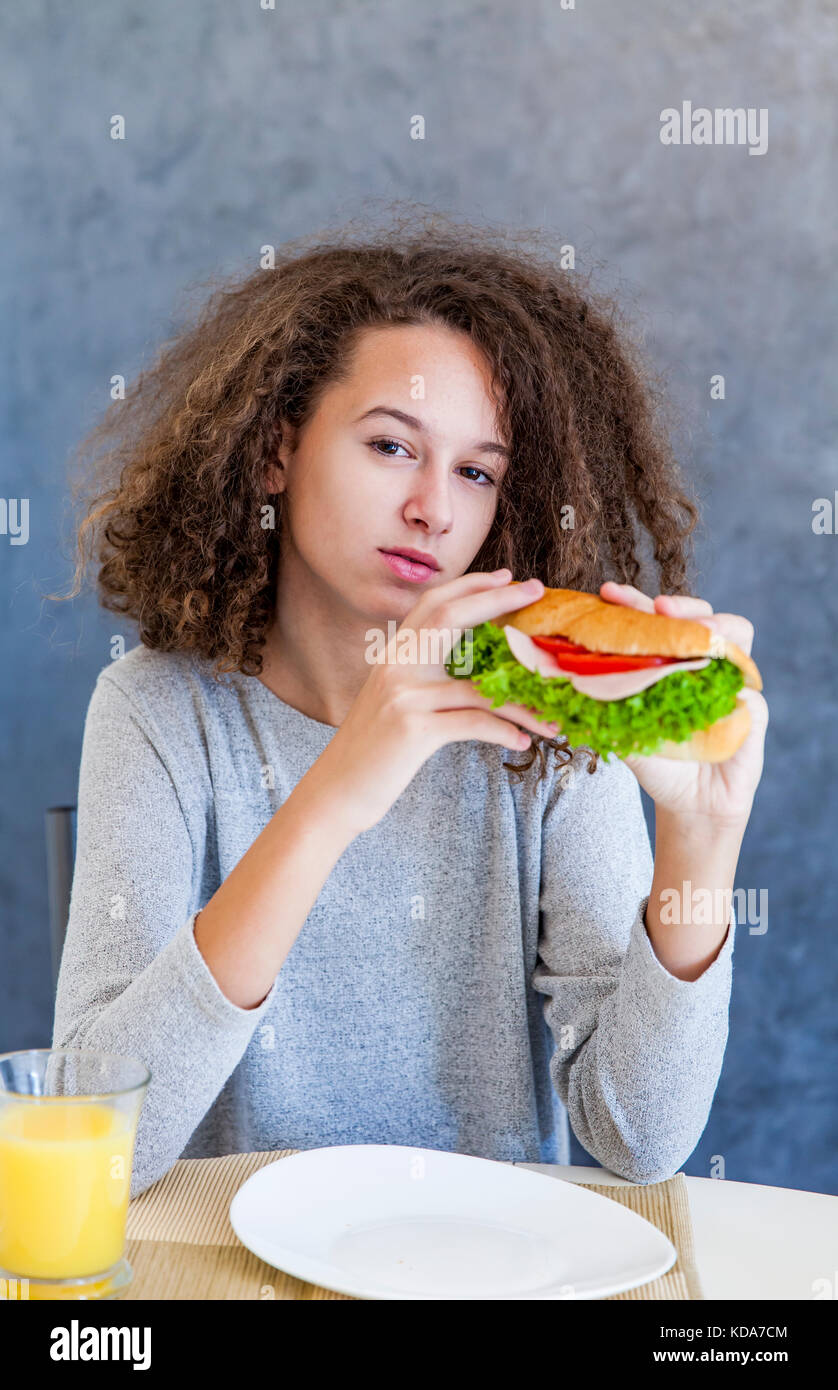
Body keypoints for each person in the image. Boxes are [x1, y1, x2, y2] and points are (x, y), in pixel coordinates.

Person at [49, 213, 768, 1199]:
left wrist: (700, 840)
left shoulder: (551, 724)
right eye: (392, 446)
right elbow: (98, 1136)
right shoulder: (158, 713)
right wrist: (337, 792)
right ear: (275, 453)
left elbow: (638, 1139)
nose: (434, 506)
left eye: (476, 471)